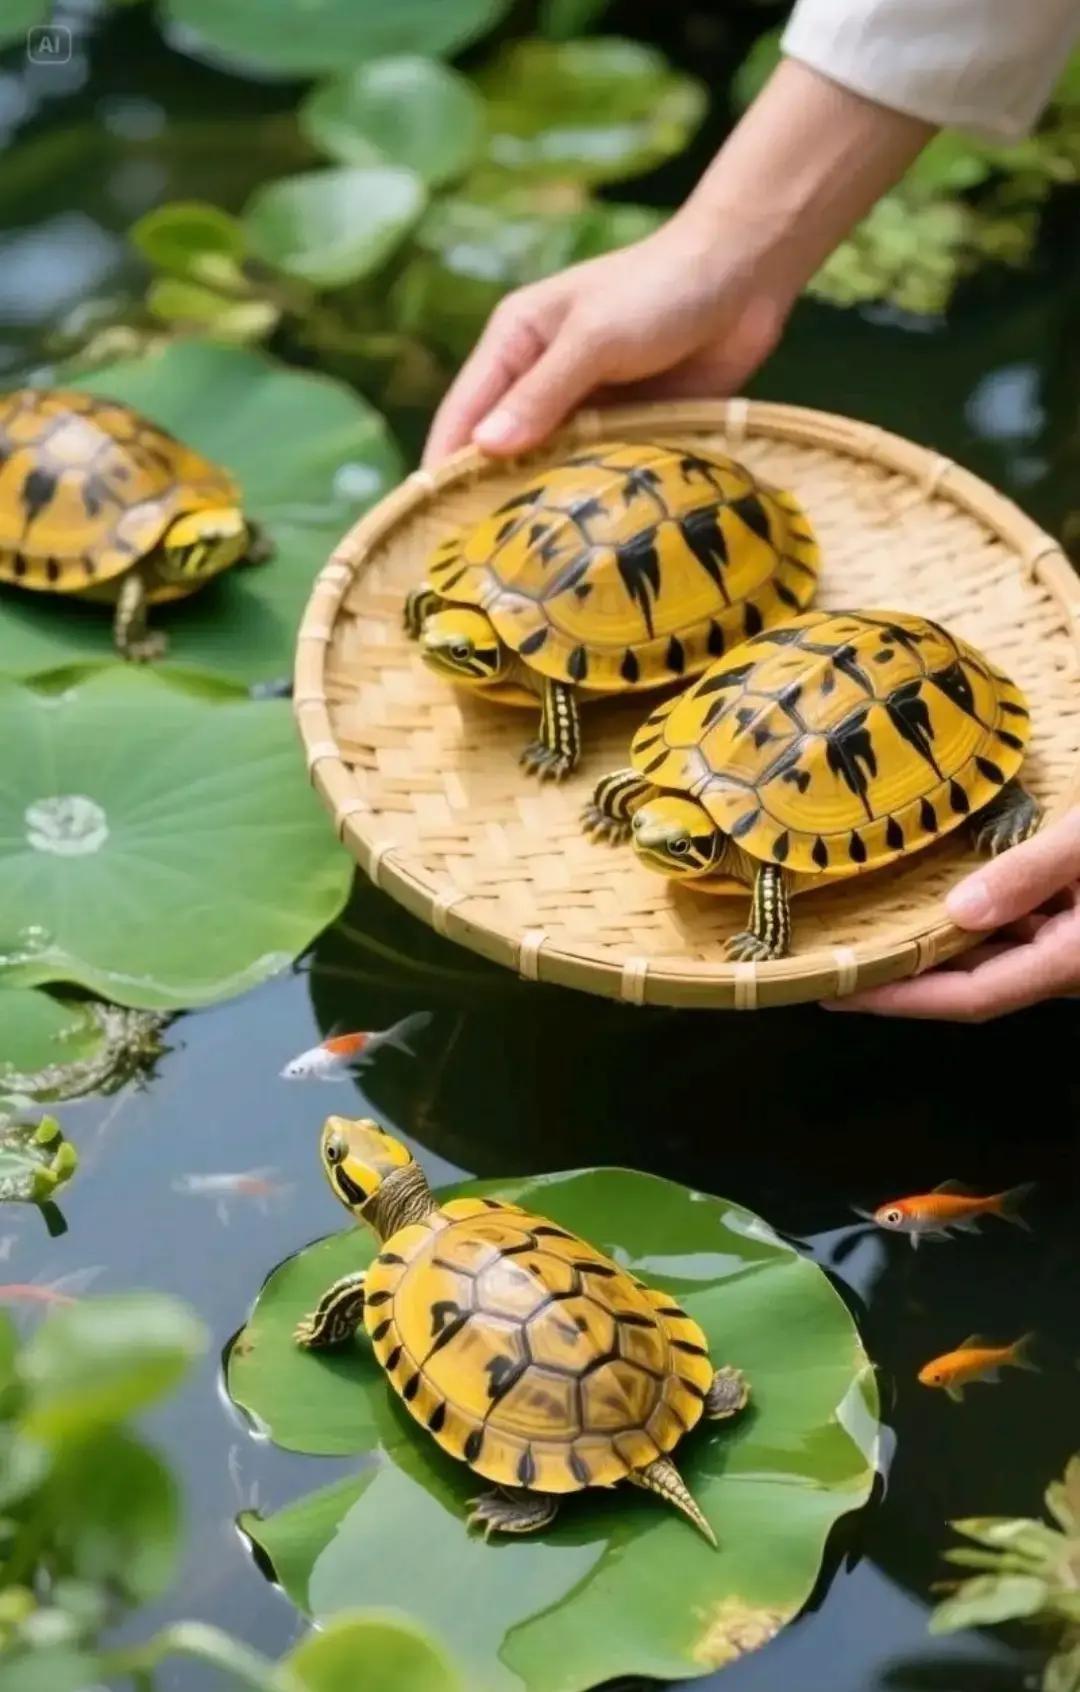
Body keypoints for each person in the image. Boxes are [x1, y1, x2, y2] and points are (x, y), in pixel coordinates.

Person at [422, 0, 1080, 1022]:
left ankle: (993, 787)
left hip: (904, 716)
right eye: (670, 840)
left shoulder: (748, 860)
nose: (663, 849)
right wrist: (734, 244)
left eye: (674, 843)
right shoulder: (660, 795)